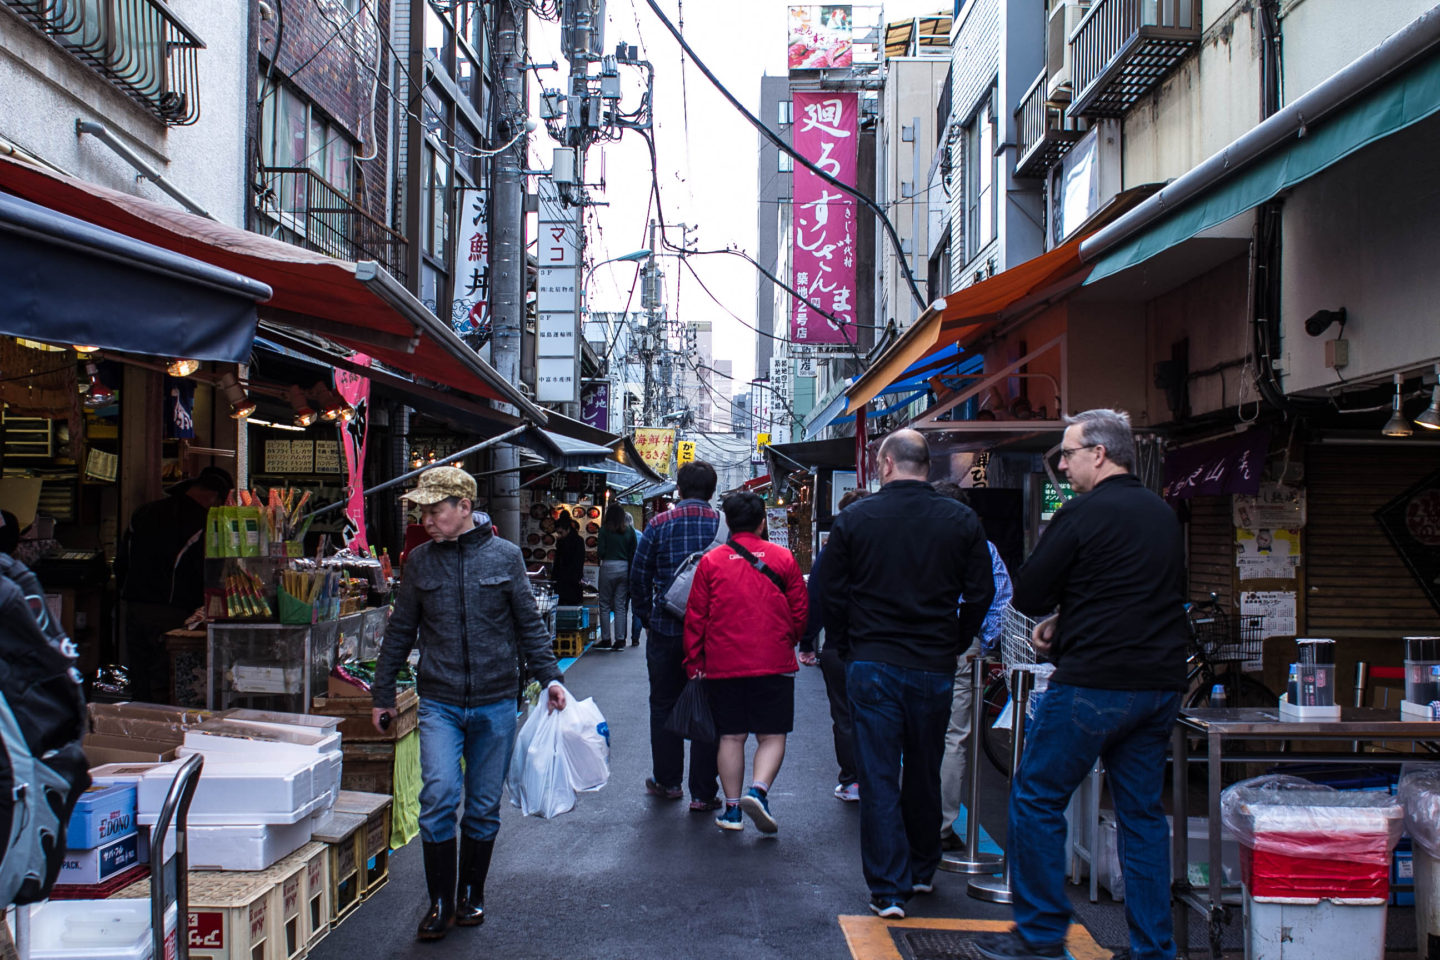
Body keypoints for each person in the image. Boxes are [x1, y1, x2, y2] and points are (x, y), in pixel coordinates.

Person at [973, 410, 1187, 960]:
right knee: (1141, 816)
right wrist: (1067, 623)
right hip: (1159, 684)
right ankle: (1152, 949)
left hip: (1093, 682)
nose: (1062, 465)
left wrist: (1056, 621)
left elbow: (1028, 592)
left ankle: (1041, 936)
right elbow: (1139, 593)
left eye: (1068, 453)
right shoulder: (1164, 514)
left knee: (1037, 799)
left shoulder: (1081, 514)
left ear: (1100, 452)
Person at [371, 466, 566, 942]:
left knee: (481, 807)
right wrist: (382, 694)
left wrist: (552, 679)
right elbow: (400, 631)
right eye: (423, 512)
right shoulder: (419, 561)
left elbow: (528, 625)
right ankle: (439, 900)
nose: (428, 521)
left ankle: (470, 893)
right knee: (437, 796)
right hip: (438, 699)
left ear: (464, 508)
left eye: (435, 511)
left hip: (496, 701)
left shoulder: (506, 556)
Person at [820, 430, 994, 919]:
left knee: (878, 775)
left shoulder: (855, 517)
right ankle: (921, 869)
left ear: (887, 463)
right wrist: (956, 639)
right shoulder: (960, 519)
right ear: (926, 465)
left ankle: (887, 889)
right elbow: (981, 592)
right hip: (934, 662)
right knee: (925, 767)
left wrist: (847, 642)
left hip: (872, 660)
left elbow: (830, 590)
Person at [683, 492, 808, 834]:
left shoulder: (711, 561)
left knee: (731, 736)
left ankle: (733, 810)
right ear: (762, 522)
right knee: (772, 734)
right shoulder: (783, 558)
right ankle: (759, 790)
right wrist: (789, 639)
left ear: (728, 522)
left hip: (724, 662)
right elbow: (800, 611)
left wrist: (694, 661)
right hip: (774, 659)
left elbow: (696, 617)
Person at [630, 460, 722, 811]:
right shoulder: (723, 526)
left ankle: (668, 781)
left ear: (678, 489)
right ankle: (703, 792)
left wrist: (646, 617)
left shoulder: (658, 524)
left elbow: (639, 576)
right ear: (712, 492)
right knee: (709, 707)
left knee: (663, 704)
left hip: (666, 629)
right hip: (713, 635)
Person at [932, 482, 1014, 853]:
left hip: (913, 642)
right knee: (954, 736)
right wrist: (982, 641)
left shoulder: (918, 540)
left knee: (909, 731)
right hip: (963, 647)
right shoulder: (983, 547)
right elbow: (999, 598)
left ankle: (906, 818)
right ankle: (941, 825)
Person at [115, 466, 232, 703]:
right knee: (165, 680)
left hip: (135, 605)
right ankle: (159, 733)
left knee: (140, 678)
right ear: (214, 496)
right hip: (171, 611)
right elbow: (206, 572)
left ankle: (136, 729)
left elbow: (122, 561)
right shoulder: (202, 522)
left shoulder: (144, 512)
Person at [798, 488, 870, 803]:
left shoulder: (837, 543)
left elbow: (818, 591)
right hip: (888, 643)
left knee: (844, 714)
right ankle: (882, 779)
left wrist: (807, 639)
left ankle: (853, 781)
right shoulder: (895, 540)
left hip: (841, 643)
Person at [596, 505, 637, 651]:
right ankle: (620, 640)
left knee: (605, 604)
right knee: (620, 605)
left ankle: (606, 639)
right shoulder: (630, 531)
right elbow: (634, 551)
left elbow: (600, 552)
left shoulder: (604, 530)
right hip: (624, 567)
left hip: (608, 566)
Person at [552, 514, 585, 606]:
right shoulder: (578, 540)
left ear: (568, 529)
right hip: (572, 582)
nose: (559, 535)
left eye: (561, 533)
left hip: (567, 581)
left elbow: (559, 562)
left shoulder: (572, 542)